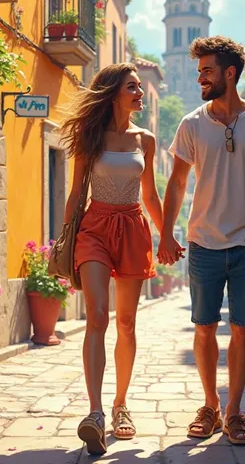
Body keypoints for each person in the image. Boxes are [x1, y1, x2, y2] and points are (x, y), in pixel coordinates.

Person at [158, 36, 245, 446]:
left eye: (207, 71)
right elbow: (178, 181)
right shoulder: (191, 124)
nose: (200, 77)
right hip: (203, 242)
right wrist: (165, 232)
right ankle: (209, 405)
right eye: (199, 71)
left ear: (229, 74)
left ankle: (233, 411)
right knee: (203, 328)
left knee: (242, 330)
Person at [60, 63, 164, 455]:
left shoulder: (146, 140)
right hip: (96, 227)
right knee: (98, 316)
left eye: (139, 86)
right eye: (132, 87)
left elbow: (151, 195)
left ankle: (121, 404)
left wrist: (166, 233)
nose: (139, 93)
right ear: (113, 93)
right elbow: (74, 194)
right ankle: (96, 412)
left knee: (127, 322)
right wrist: (65, 241)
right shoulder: (90, 137)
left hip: (134, 228)